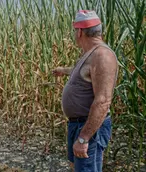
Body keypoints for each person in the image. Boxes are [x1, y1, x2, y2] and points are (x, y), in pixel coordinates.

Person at [52, 10, 118, 172]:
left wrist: (84, 138)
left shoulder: (102, 56)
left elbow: (103, 101)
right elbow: (83, 72)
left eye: (75, 30)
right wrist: (63, 70)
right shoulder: (89, 54)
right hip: (78, 124)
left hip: (89, 127)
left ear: (80, 31)